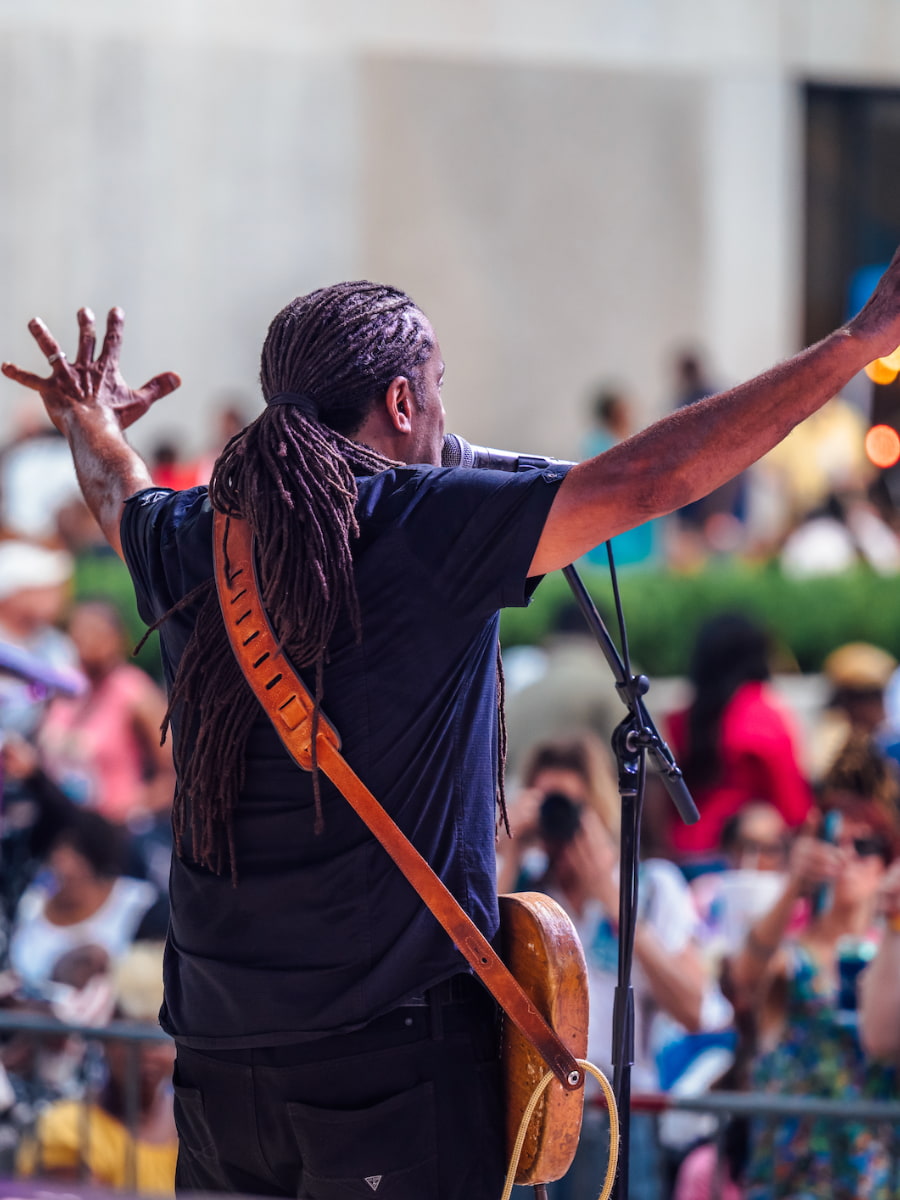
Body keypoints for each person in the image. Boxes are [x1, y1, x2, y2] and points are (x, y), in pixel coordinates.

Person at [5, 252, 900, 1196]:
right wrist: (856, 344)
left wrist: (88, 418)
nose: (447, 413)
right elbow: (647, 480)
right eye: (437, 389)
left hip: (220, 1060)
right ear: (400, 401)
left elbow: (119, 494)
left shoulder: (194, 536)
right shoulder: (424, 527)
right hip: (390, 1064)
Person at [502, 734, 706, 1200]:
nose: (560, 823)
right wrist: (509, 849)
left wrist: (616, 905)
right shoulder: (523, 892)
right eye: (547, 804)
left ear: (600, 809)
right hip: (532, 1112)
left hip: (617, 1112)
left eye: (571, 807)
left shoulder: (651, 888)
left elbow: (695, 1008)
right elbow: (473, 973)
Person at [727, 796, 899, 1200]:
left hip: (869, 1169)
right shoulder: (791, 954)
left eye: (866, 847)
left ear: (887, 864)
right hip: (792, 1167)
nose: (848, 856)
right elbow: (744, 977)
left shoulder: (891, 953)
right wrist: (794, 885)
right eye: (835, 843)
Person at [18, 941, 177, 1195]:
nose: (147, 1053)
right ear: (106, 1035)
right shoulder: (67, 1130)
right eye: (133, 1034)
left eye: (157, 1038)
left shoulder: (190, 1125)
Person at [665, 612, 813, 871]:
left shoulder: (683, 717)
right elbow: (792, 805)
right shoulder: (760, 713)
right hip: (742, 859)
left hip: (684, 854)